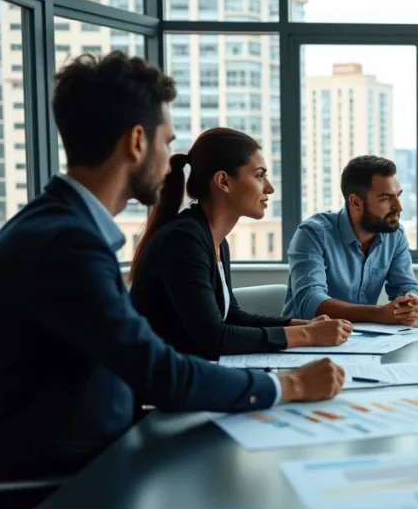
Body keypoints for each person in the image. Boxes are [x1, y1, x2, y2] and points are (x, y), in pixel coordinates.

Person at [0, 53, 345, 484]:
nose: (172, 157)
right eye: (166, 141)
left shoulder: (59, 227)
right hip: (51, 488)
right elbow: (157, 370)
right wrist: (291, 386)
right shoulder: (69, 244)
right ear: (137, 141)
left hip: (99, 457)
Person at [128, 128, 353, 361]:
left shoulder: (215, 239)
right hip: (162, 385)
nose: (269, 188)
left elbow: (231, 315)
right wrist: (306, 334)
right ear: (223, 181)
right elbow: (213, 337)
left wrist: (301, 324)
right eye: (259, 176)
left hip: (193, 370)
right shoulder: (184, 240)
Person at [282, 155, 418, 325]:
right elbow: (311, 302)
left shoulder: (394, 234)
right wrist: (379, 313)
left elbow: (406, 285)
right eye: (386, 198)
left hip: (363, 341)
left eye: (398, 196)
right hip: (306, 343)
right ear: (356, 202)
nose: (398, 207)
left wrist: (409, 301)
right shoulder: (313, 234)